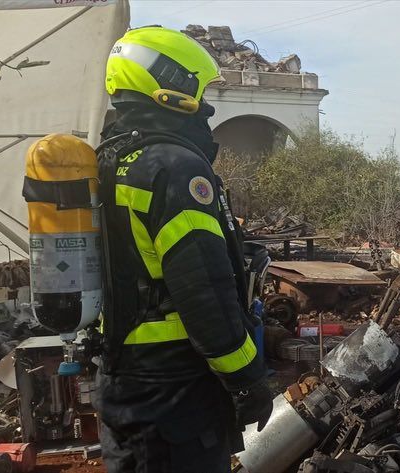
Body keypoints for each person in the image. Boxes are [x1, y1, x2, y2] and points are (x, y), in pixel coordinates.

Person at [92, 26, 272, 472]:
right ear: (170, 84)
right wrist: (246, 378)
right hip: (174, 392)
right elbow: (203, 290)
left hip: (122, 382)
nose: (206, 105)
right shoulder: (174, 168)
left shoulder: (109, 160)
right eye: (199, 86)